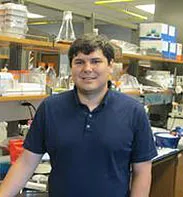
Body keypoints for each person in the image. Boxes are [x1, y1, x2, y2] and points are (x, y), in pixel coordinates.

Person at [0, 34, 157, 197]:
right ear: (71, 67)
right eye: (79, 62)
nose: (87, 68)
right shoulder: (50, 108)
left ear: (110, 65)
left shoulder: (133, 111)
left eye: (96, 61)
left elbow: (143, 171)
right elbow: (26, 163)